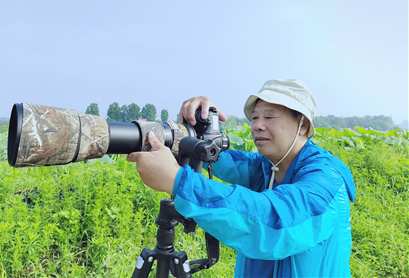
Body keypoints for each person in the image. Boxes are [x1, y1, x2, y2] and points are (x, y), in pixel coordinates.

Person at [127, 79, 356, 278]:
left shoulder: (326, 180)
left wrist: (179, 181)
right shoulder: (267, 167)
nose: (257, 125)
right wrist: (195, 129)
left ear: (302, 124)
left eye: (269, 116)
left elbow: (275, 223)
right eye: (255, 117)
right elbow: (216, 158)